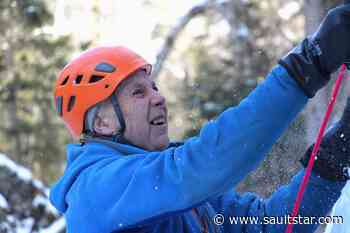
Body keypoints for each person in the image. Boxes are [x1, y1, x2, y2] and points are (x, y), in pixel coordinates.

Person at [49, 4, 350, 233]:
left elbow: (271, 225)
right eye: (138, 93)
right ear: (102, 123)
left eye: (154, 87)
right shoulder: (97, 189)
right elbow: (202, 165)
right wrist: (308, 64)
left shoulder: (187, 200)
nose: (158, 97)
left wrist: (332, 158)